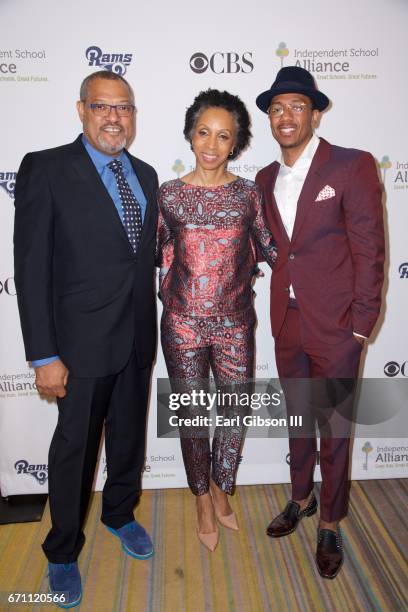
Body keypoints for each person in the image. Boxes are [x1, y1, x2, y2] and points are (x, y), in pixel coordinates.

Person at [13, 70, 158, 607]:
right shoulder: (45, 168)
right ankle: (62, 550)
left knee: (127, 441)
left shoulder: (144, 176)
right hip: (76, 346)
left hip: (137, 339)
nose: (114, 117)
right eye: (102, 106)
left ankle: (120, 514)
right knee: (74, 450)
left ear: (133, 115)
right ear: (81, 111)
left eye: (124, 107)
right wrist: (44, 354)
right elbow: (30, 271)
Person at [255, 66, 384, 578]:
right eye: (276, 109)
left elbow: (370, 249)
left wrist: (362, 323)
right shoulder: (264, 178)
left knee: (334, 428)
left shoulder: (351, 166)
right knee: (296, 421)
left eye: (296, 107)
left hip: (337, 326)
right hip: (286, 321)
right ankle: (300, 497)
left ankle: (329, 520)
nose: (286, 117)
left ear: (315, 112)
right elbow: (269, 249)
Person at [157, 89, 276, 552]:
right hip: (182, 324)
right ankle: (202, 499)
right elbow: (152, 252)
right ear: (190, 134)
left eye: (223, 136)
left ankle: (224, 487)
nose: (211, 144)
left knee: (235, 410)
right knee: (191, 416)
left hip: (234, 323)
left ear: (236, 142)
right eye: (204, 132)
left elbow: (269, 247)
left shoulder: (250, 194)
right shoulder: (168, 195)